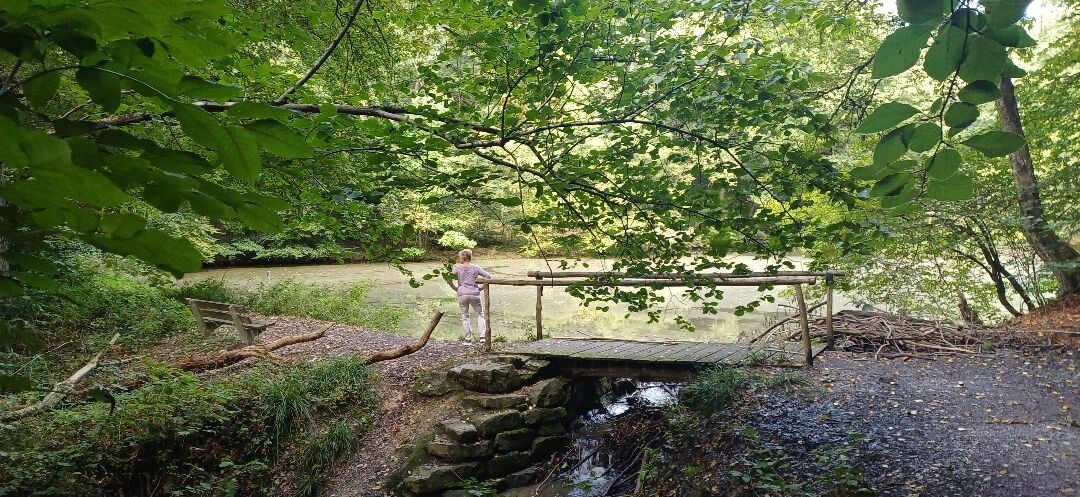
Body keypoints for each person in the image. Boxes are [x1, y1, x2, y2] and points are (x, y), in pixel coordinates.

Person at [447, 249, 491, 344]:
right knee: (480, 314)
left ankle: (468, 339)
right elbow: (488, 277)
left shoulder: (457, 268)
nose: (459, 259)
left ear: (463, 258)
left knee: (465, 316)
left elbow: (449, 280)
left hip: (462, 294)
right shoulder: (476, 267)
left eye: (459, 257)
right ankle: (482, 338)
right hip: (475, 293)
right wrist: (480, 288)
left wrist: (455, 288)